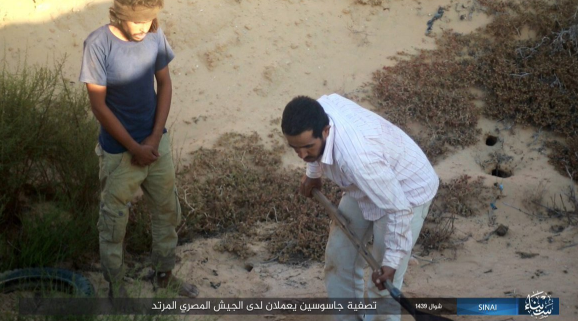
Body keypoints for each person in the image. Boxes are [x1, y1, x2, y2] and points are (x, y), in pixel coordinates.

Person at [281, 94, 439, 321]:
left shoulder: (358, 159)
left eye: (308, 147)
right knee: (339, 257)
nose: (303, 155)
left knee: (382, 284)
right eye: (296, 149)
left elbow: (399, 209)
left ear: (325, 131)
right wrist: (313, 174)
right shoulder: (315, 111)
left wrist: (391, 262)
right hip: (366, 186)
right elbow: (311, 152)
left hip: (406, 192)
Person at [79, 0, 198, 299]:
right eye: (136, 22)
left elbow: (165, 84)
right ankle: (116, 287)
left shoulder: (155, 35)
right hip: (120, 154)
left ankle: (164, 275)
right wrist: (134, 147)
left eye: (148, 20)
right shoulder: (98, 44)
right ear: (119, 16)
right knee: (113, 221)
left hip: (156, 146)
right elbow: (99, 106)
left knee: (167, 211)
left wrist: (155, 138)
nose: (143, 27)